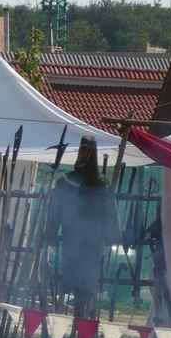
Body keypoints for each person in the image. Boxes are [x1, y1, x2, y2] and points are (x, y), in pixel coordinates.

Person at [46, 136, 121, 320]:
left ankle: (82, 324)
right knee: (69, 280)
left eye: (87, 151)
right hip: (71, 240)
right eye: (82, 150)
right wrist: (52, 234)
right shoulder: (65, 182)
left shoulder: (102, 185)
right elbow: (55, 211)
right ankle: (70, 324)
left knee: (87, 285)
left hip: (93, 243)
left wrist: (112, 236)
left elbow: (110, 212)